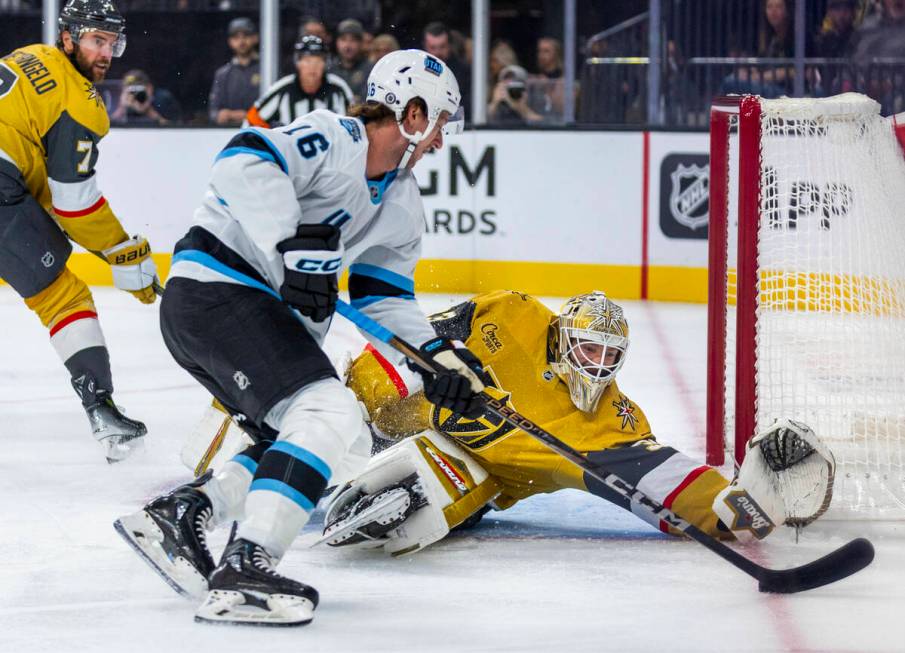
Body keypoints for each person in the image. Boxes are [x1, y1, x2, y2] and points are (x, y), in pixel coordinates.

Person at [114, 49, 481, 627]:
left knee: (345, 442)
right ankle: (246, 565)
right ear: (413, 114)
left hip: (246, 312)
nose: (439, 142)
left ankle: (184, 512)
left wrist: (440, 363)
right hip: (217, 291)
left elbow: (383, 300)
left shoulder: (403, 203)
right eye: (439, 124)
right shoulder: (335, 137)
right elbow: (241, 160)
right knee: (327, 411)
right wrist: (290, 245)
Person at [322, 290, 836, 556]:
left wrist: (738, 506)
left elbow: (661, 481)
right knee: (345, 404)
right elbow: (431, 331)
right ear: (563, 338)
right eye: (587, 349)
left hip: (471, 467)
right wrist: (389, 379)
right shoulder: (514, 313)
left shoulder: (609, 422)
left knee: (422, 491)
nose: (596, 365)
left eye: (608, 356)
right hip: (400, 408)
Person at [0, 0, 158, 462]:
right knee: (63, 298)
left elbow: (36, 169)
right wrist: (123, 251)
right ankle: (103, 412)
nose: (106, 53)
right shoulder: (81, 102)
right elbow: (75, 205)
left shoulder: (30, 55)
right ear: (68, 38)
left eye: (112, 42)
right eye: (96, 40)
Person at [245, 35, 353, 128]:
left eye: (318, 61)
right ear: (298, 63)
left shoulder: (339, 88)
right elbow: (252, 119)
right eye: (307, 60)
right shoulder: (283, 88)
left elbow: (355, 124)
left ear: (325, 64)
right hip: (290, 151)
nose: (312, 67)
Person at [207, 17, 261, 127]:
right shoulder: (222, 74)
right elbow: (213, 112)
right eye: (236, 37)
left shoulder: (267, 70)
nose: (241, 41)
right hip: (228, 133)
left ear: (255, 38)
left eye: (246, 36)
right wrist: (221, 115)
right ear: (230, 42)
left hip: (259, 132)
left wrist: (245, 115)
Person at [423, 22, 471, 118]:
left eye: (442, 47)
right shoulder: (415, 69)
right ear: (425, 45)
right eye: (433, 47)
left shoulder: (464, 71)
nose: (437, 52)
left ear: (449, 45)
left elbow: (467, 106)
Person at [109, 68, 182, 126]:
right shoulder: (115, 101)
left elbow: (176, 128)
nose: (135, 95)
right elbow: (108, 127)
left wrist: (148, 110)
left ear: (149, 88)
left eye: (139, 89)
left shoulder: (162, 100)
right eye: (132, 91)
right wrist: (121, 108)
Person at [328, 18, 372, 103]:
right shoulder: (328, 69)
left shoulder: (371, 70)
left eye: (353, 40)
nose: (347, 46)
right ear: (337, 42)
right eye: (343, 39)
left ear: (361, 43)